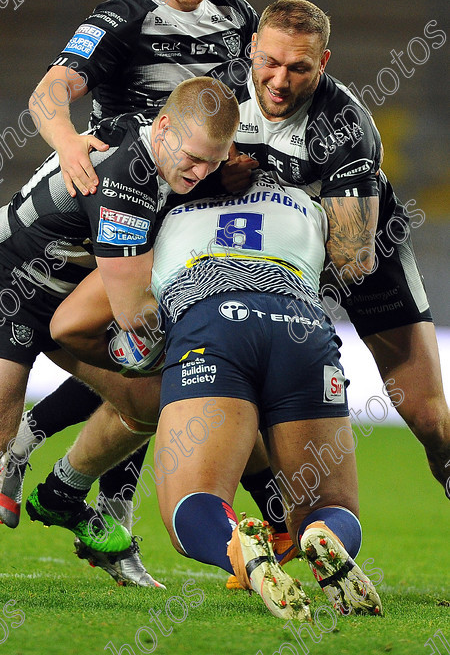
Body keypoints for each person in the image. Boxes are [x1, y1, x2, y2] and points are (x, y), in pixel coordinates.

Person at [0, 0, 282, 575]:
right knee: (143, 350)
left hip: (188, 204)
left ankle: (59, 480)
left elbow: (233, 103)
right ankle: (69, 486)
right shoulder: (122, 16)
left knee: (148, 355)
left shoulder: (235, 15)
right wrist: (66, 143)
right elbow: (49, 90)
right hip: (126, 201)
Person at [0, 77, 239, 584]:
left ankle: (62, 492)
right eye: (194, 158)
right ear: (165, 127)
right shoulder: (124, 181)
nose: (200, 173)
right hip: (2, 283)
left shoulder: (152, 141)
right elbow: (133, 313)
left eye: (214, 162)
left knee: (150, 398)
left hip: (66, 299)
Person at [213, 0, 450, 497]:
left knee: (430, 419)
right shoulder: (218, 95)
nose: (279, 82)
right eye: (269, 63)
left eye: (298, 68)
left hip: (366, 259)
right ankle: (275, 515)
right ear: (251, 48)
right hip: (257, 256)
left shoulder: (346, 125)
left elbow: (352, 257)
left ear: (323, 62)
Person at [150, 170, 382, 620]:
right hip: (302, 325)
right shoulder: (308, 203)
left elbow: (85, 314)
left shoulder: (168, 205)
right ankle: (321, 534)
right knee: (329, 505)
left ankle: (242, 548)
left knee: (192, 502)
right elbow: (357, 261)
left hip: (212, 319)